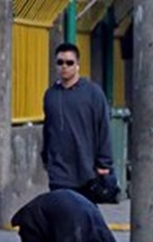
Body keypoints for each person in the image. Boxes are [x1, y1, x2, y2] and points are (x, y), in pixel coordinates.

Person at [41, 43, 114, 201]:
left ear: (78, 65)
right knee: (60, 218)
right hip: (58, 173)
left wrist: (104, 164)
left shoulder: (93, 93)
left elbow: (103, 129)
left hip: (86, 172)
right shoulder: (50, 95)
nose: (64, 67)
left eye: (69, 62)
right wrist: (46, 157)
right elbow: (48, 129)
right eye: (60, 62)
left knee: (84, 218)